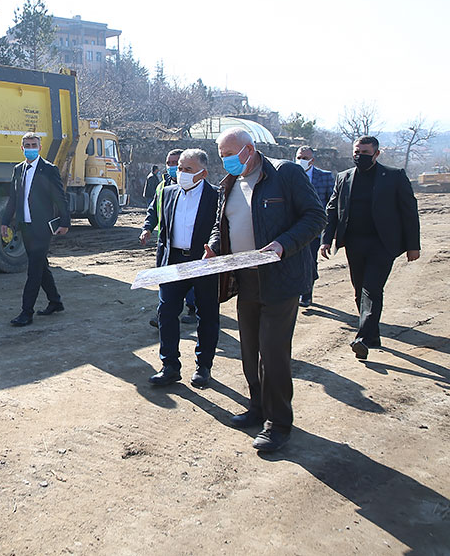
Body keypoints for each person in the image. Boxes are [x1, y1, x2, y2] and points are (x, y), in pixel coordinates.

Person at [205, 128, 325, 452]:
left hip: (280, 278)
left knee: (272, 354)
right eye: (222, 156)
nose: (227, 160)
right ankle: (257, 408)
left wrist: (283, 245)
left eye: (232, 153)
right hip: (246, 280)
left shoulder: (285, 173)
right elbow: (222, 224)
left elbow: (316, 217)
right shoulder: (228, 184)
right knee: (249, 352)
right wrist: (215, 245)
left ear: (251, 148)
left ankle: (278, 424)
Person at [321, 136, 421, 360]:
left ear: (376, 154)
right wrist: (327, 239)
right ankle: (373, 335)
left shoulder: (394, 177)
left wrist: (413, 246)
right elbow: (333, 209)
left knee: (372, 288)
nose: (360, 156)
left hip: (383, 243)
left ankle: (363, 338)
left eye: (365, 153)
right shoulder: (344, 177)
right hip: (355, 243)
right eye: (357, 152)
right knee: (359, 290)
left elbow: (409, 212)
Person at [139, 149, 220, 388]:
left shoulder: (216, 196)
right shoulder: (168, 192)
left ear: (203, 173)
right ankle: (170, 366)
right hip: (173, 261)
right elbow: (162, 228)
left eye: (188, 169)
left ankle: (204, 366)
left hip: (203, 261)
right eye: (180, 168)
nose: (181, 173)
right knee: (166, 313)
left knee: (207, 315)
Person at [1, 132, 70, 327]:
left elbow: (60, 197)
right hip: (26, 226)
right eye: (27, 145)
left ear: (40, 148)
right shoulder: (18, 170)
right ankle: (55, 302)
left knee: (33, 270)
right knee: (40, 265)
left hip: (42, 228)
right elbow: (13, 199)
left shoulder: (49, 170)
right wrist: (5, 222)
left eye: (34, 145)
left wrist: (65, 222)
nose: (30, 148)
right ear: (22, 148)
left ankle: (26, 312)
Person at [142, 148, 197, 326]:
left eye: (176, 163)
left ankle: (193, 309)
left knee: (189, 279)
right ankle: (163, 317)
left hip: (189, 245)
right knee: (166, 281)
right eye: (169, 163)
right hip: (167, 244)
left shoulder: (195, 185)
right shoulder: (162, 187)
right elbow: (153, 211)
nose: (172, 167)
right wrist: (147, 228)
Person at [295, 145, 335, 307]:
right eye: (299, 157)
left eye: (305, 158)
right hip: (293, 227)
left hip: (313, 229)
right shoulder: (288, 174)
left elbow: (331, 203)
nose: (301, 161)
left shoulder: (324, 177)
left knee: (310, 260)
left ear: (312, 160)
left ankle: (306, 294)